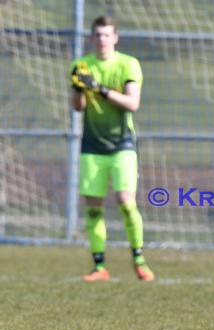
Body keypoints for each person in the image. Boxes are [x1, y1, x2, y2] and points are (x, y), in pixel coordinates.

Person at [69, 16, 154, 282]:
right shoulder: (81, 65)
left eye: (107, 35)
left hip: (122, 145)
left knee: (126, 203)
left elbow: (132, 103)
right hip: (92, 146)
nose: (102, 39)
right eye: (98, 35)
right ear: (92, 38)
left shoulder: (128, 64)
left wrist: (99, 88)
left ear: (115, 37)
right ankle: (99, 267)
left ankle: (139, 260)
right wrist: (78, 87)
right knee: (93, 208)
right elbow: (78, 106)